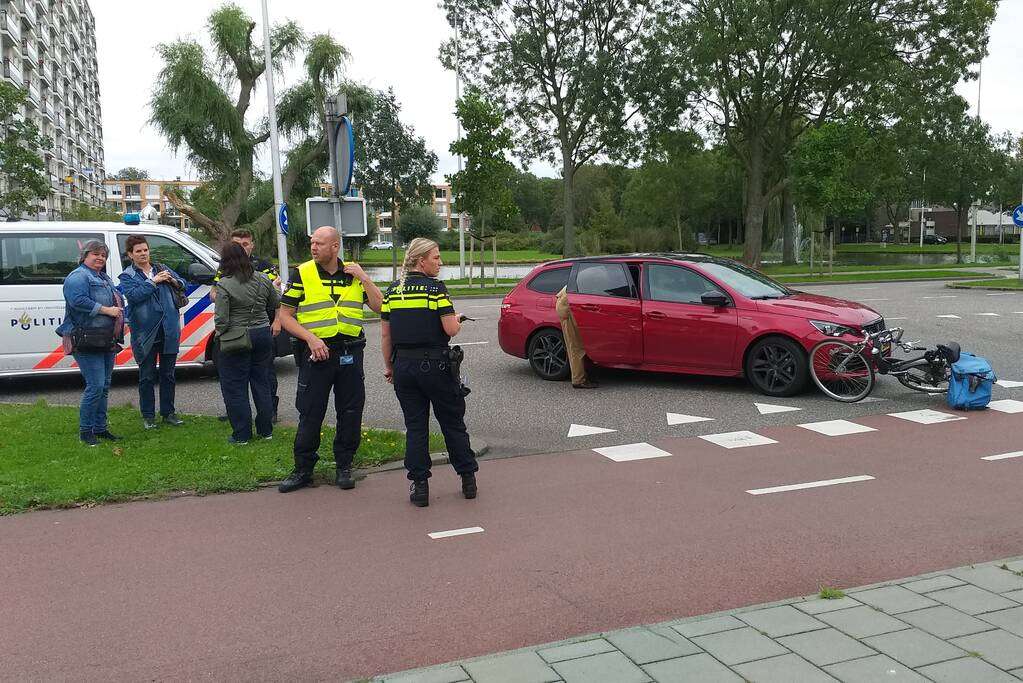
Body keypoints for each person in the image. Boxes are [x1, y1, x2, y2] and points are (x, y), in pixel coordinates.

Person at [275, 226, 383, 493]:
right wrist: (311, 339)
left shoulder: (353, 275)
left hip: (350, 351)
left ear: (335, 247)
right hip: (317, 353)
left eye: (320, 243)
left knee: (350, 411)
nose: (313, 247)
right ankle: (303, 469)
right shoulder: (302, 273)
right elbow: (285, 316)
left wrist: (365, 278)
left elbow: (381, 307)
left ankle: (344, 466)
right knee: (310, 412)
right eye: (312, 243)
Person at [380, 238, 479, 507]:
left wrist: (389, 366)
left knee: (415, 427)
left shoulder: (391, 292)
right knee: (452, 423)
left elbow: (386, 334)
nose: (440, 262)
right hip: (436, 366)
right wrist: (457, 319)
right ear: (420, 260)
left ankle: (420, 486)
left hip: (404, 367)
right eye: (436, 258)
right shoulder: (435, 290)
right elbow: (449, 329)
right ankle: (468, 478)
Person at [56, 240, 125, 446]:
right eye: (96, 254)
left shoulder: (102, 277)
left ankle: (101, 428)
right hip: (86, 339)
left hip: (105, 339)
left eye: (104, 255)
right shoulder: (78, 277)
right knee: (95, 386)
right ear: (85, 255)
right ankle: (86, 432)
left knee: (104, 386)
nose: (100, 258)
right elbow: (78, 301)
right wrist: (106, 310)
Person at [211, 229, 283, 422]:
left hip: (261, 324)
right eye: (237, 245)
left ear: (252, 244)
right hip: (248, 330)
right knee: (241, 378)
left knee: (264, 374)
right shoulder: (224, 270)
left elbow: (277, 298)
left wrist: (277, 321)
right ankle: (238, 413)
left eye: (245, 244)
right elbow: (214, 292)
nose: (241, 248)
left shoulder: (264, 266)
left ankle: (270, 412)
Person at [118, 234, 187, 429]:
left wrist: (173, 280)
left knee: (168, 375)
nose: (143, 254)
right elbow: (134, 296)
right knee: (147, 376)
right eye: (138, 251)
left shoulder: (161, 268)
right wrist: (153, 282)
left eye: (145, 250)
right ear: (131, 255)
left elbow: (184, 284)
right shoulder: (127, 276)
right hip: (145, 332)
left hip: (169, 329)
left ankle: (168, 413)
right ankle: (148, 416)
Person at [556, 285, 598, 389]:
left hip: (565, 303)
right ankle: (578, 380)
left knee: (574, 345)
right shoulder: (592, 273)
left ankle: (582, 375)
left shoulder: (586, 272)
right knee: (576, 347)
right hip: (567, 308)